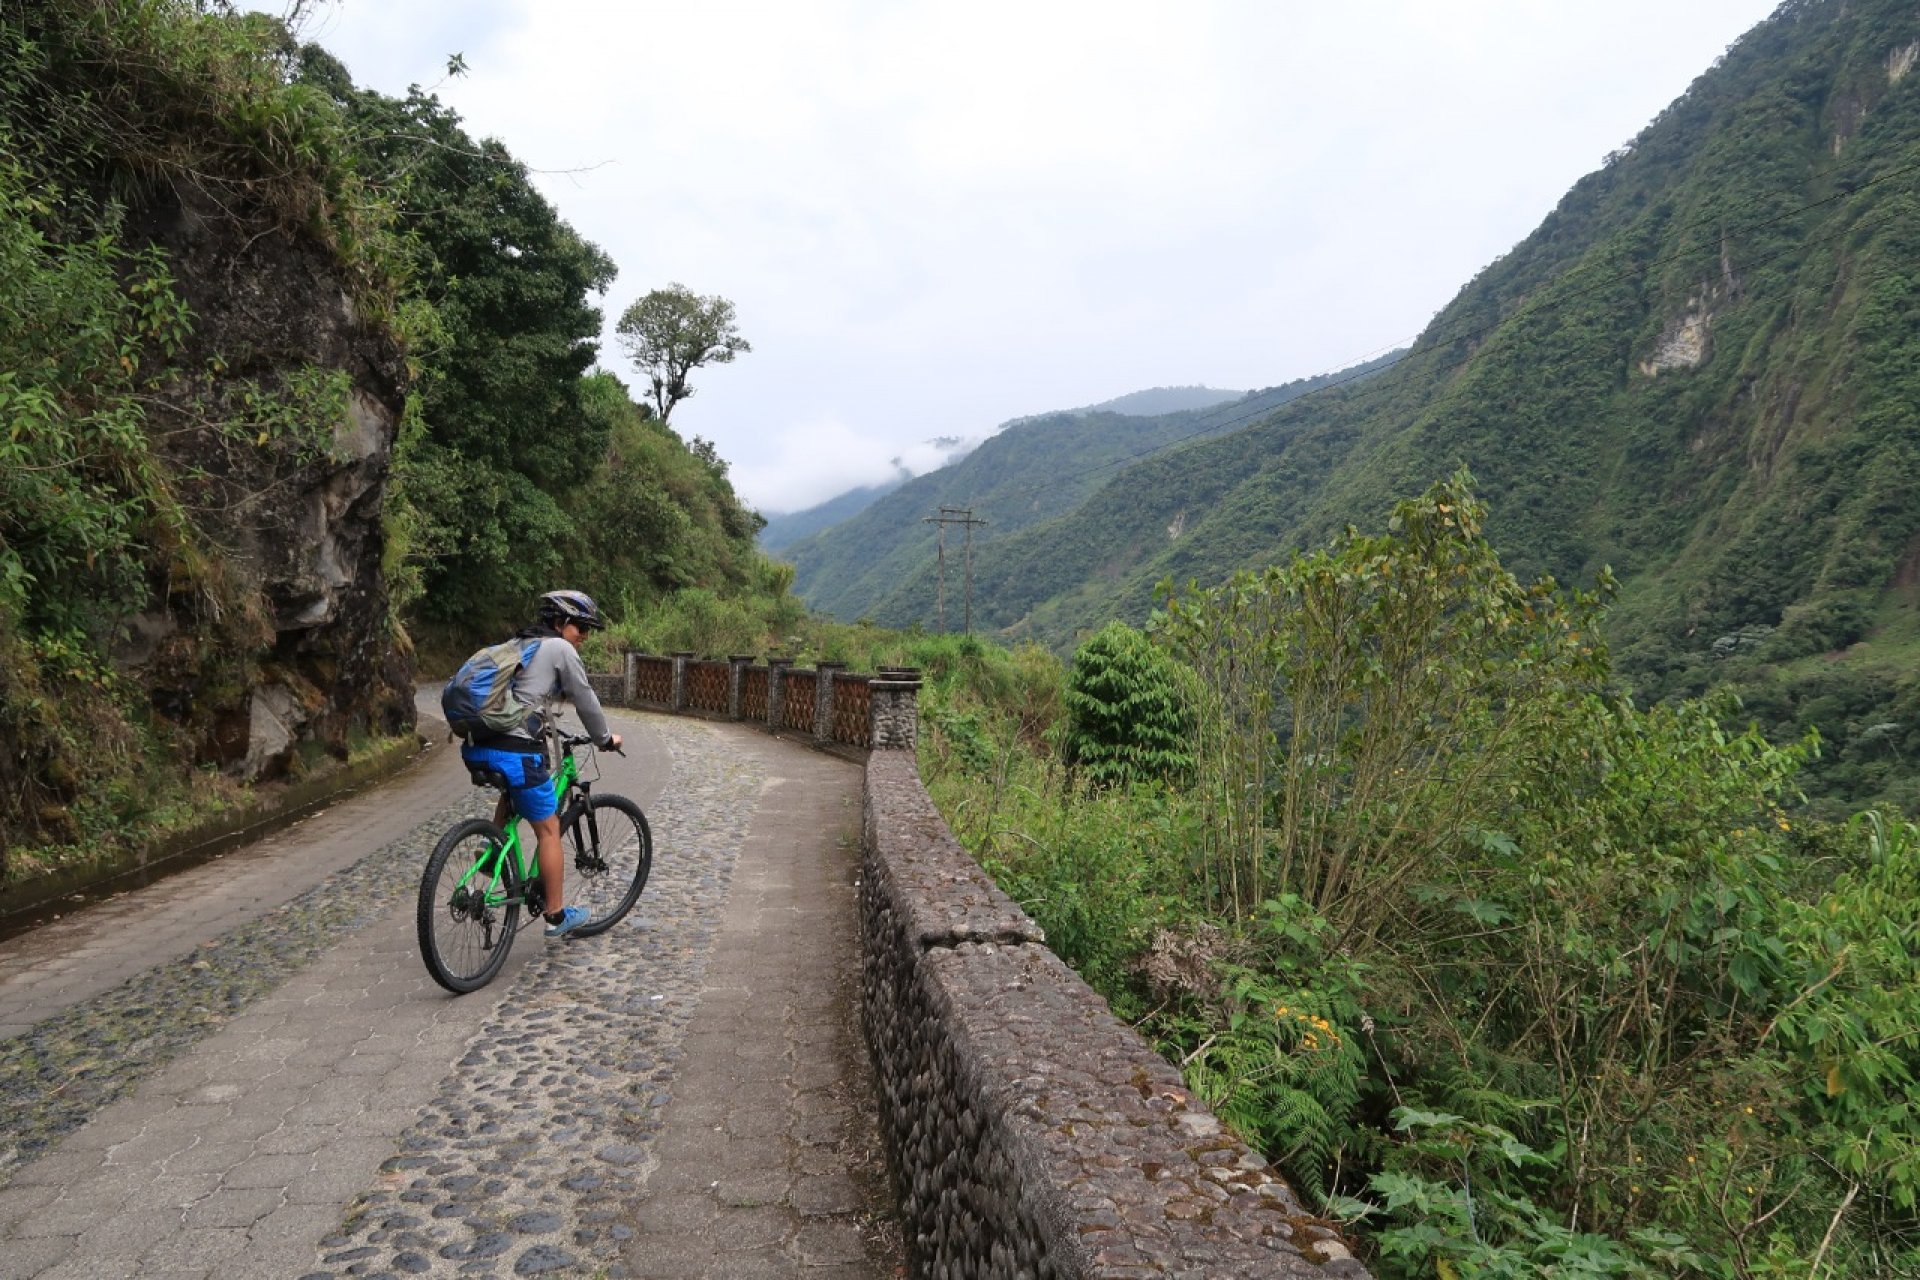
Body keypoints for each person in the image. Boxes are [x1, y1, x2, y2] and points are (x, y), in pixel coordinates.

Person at [459, 589, 624, 938]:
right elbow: (584, 697)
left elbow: (523, 696)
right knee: (548, 829)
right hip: (515, 748)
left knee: (514, 790)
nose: (584, 636)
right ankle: (556, 915)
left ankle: (492, 851)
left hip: (478, 745)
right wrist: (605, 738)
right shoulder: (559, 648)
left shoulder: (519, 644)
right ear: (560, 622)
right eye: (580, 627)